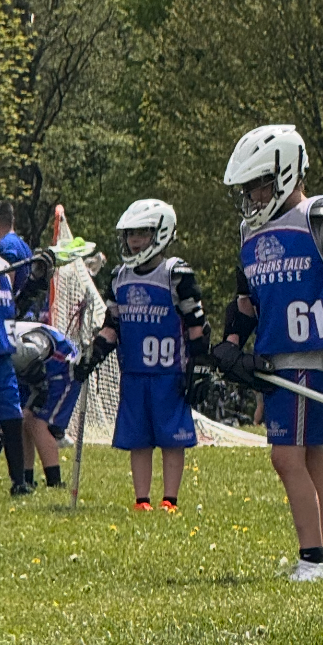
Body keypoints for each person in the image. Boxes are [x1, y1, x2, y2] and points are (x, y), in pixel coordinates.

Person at [212, 125, 323, 580]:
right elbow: (246, 300)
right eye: (247, 187)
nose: (252, 195)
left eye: (259, 184)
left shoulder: (320, 218)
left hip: (306, 355)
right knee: (313, 456)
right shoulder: (250, 232)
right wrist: (231, 346)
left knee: (285, 457)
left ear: (286, 172)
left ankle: (310, 559)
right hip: (276, 358)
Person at [73, 200, 210, 512]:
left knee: (172, 439)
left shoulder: (175, 274)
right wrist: (92, 357)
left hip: (169, 374)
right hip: (134, 373)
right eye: (131, 234)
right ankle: (142, 499)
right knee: (139, 439)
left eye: (142, 233)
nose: (135, 240)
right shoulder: (119, 278)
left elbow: (196, 323)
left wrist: (201, 363)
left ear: (160, 233)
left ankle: (170, 499)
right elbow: (112, 327)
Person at [0, 203, 29, 497]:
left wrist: (36, 278)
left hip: (1, 355)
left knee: (12, 417)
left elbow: (15, 304)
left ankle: (19, 480)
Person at [11, 318, 82, 494]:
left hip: (60, 369)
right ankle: (25, 478)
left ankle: (54, 480)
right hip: (33, 366)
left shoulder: (28, 345)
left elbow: (30, 353)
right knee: (21, 419)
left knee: (38, 421)